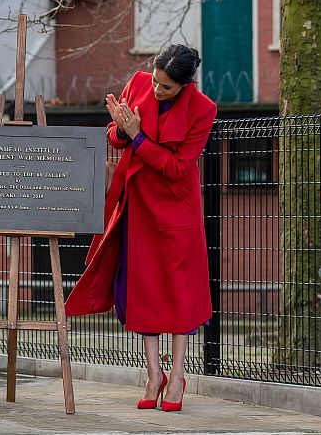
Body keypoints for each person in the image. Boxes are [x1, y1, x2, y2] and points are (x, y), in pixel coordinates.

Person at [65, 44, 217, 413]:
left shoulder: (203, 109)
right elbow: (115, 137)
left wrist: (137, 137)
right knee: (142, 288)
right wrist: (120, 127)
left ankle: (178, 375)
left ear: (185, 85)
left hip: (177, 211)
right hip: (136, 204)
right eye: (155, 81)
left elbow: (178, 168)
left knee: (180, 291)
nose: (157, 90)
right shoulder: (138, 82)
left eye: (166, 87)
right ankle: (154, 374)